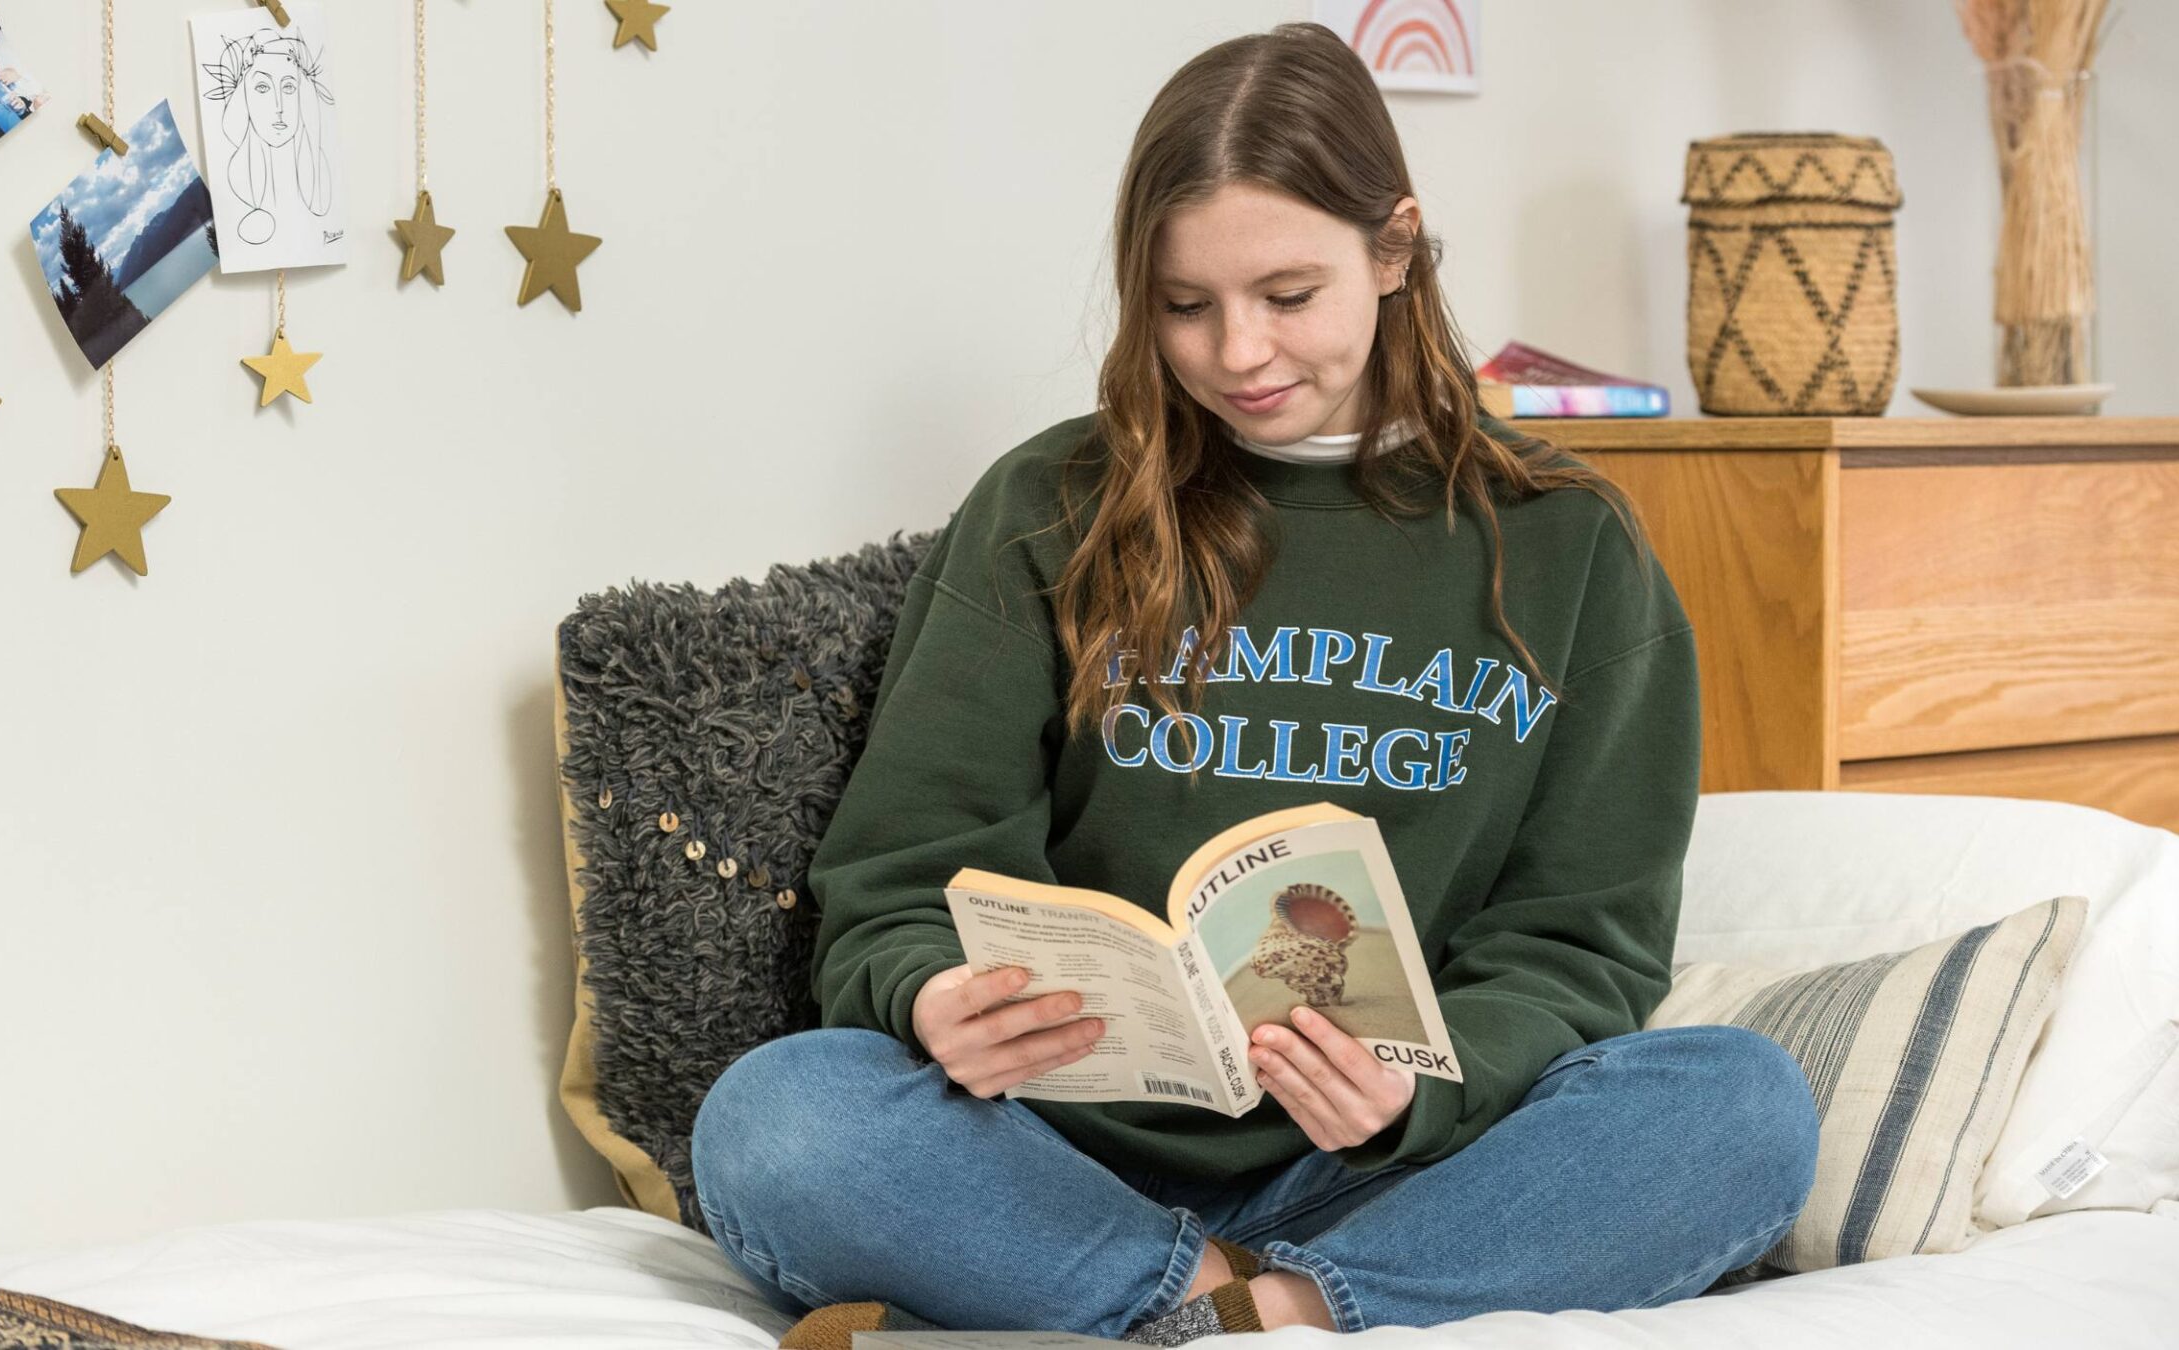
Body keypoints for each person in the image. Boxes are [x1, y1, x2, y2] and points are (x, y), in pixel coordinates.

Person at [690, 21, 1819, 1347]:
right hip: (1048, 1151)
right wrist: (933, 994)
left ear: (1393, 249)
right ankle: (1219, 1290)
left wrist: (1415, 1089)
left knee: (1744, 1105)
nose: (1238, 352)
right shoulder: (1044, 508)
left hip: (1392, 1164)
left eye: (1288, 294)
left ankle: (1263, 1302)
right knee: (774, 1120)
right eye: (1185, 304)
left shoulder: (1570, 544)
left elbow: (1581, 947)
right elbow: (899, 875)